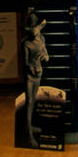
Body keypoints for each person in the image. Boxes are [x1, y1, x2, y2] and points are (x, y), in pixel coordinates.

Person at [22, 11, 50, 148]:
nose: (34, 30)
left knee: (34, 100)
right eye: (31, 28)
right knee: (29, 102)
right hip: (30, 75)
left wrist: (45, 57)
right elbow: (25, 61)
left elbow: (46, 54)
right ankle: (29, 136)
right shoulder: (26, 44)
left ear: (40, 27)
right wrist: (30, 68)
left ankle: (29, 126)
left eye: (35, 27)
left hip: (39, 72)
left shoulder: (43, 39)